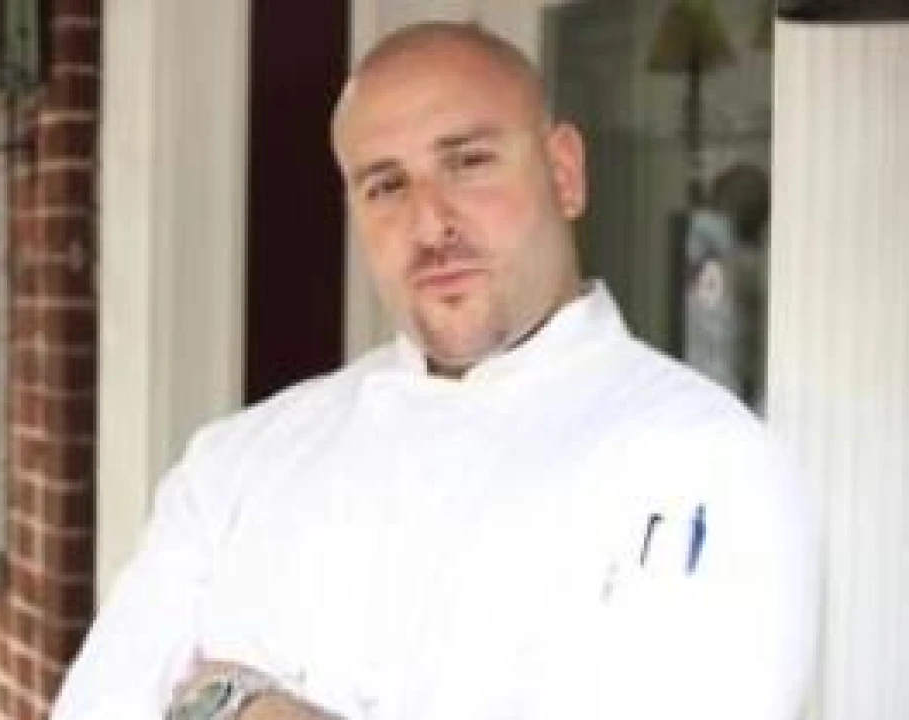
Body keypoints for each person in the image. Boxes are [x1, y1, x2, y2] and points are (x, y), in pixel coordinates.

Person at [52, 21, 817, 720]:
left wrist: (228, 703)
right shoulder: (233, 463)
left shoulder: (706, 462)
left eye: (468, 162)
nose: (429, 223)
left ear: (564, 173)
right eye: (385, 184)